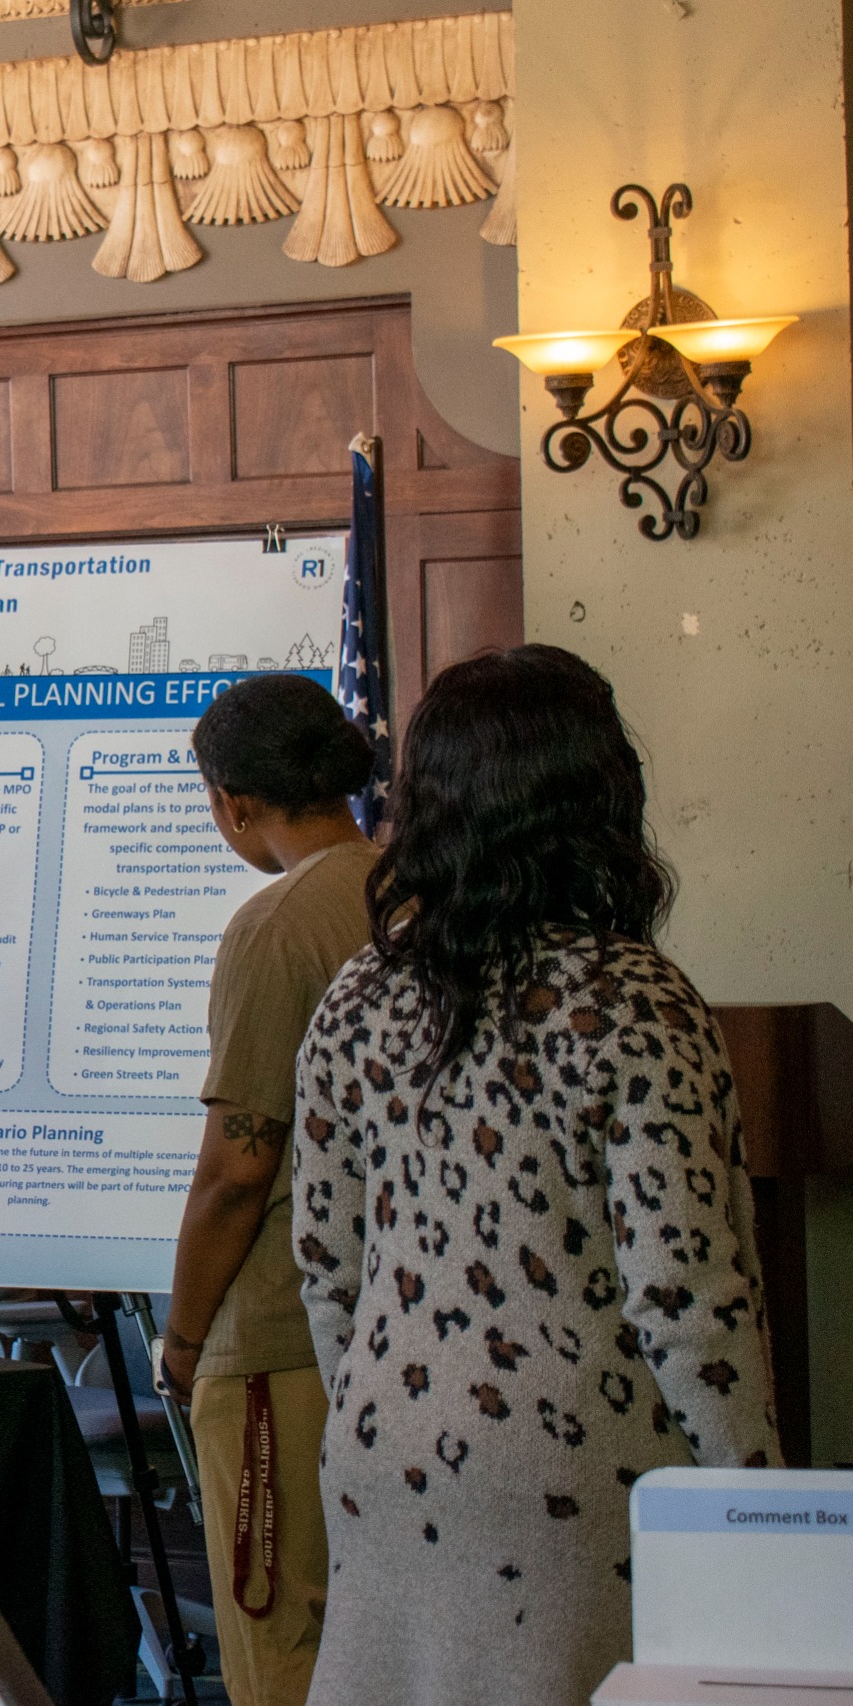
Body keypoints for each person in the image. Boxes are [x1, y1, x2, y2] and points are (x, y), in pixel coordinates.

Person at [292, 645, 778, 1706]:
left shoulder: (355, 998)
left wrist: (385, 1408)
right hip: (577, 1473)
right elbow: (684, 1296)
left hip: (381, 1450)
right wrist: (754, 1502)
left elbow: (326, 1267)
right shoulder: (632, 1000)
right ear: (598, 795)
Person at [157, 673, 379, 1706]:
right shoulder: (417, 890)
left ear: (235, 801)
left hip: (279, 1334)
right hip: (402, 1325)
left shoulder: (275, 923)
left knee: (280, 1643)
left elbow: (237, 1168)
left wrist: (186, 1336)